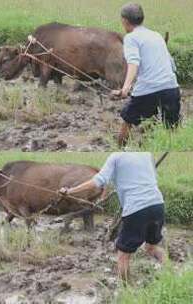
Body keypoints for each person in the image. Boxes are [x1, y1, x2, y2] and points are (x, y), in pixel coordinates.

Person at [59, 152, 165, 281]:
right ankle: (170, 273)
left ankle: (126, 291)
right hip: (158, 204)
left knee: (123, 255)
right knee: (151, 248)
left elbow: (98, 181)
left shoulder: (116, 156)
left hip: (136, 208)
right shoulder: (147, 155)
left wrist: (70, 191)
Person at [112, 3, 180, 146]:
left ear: (124, 20)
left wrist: (125, 89)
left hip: (148, 90)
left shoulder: (131, 38)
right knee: (171, 129)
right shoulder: (156, 35)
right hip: (171, 88)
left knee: (128, 120)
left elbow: (133, 63)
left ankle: (119, 149)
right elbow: (171, 63)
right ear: (142, 19)